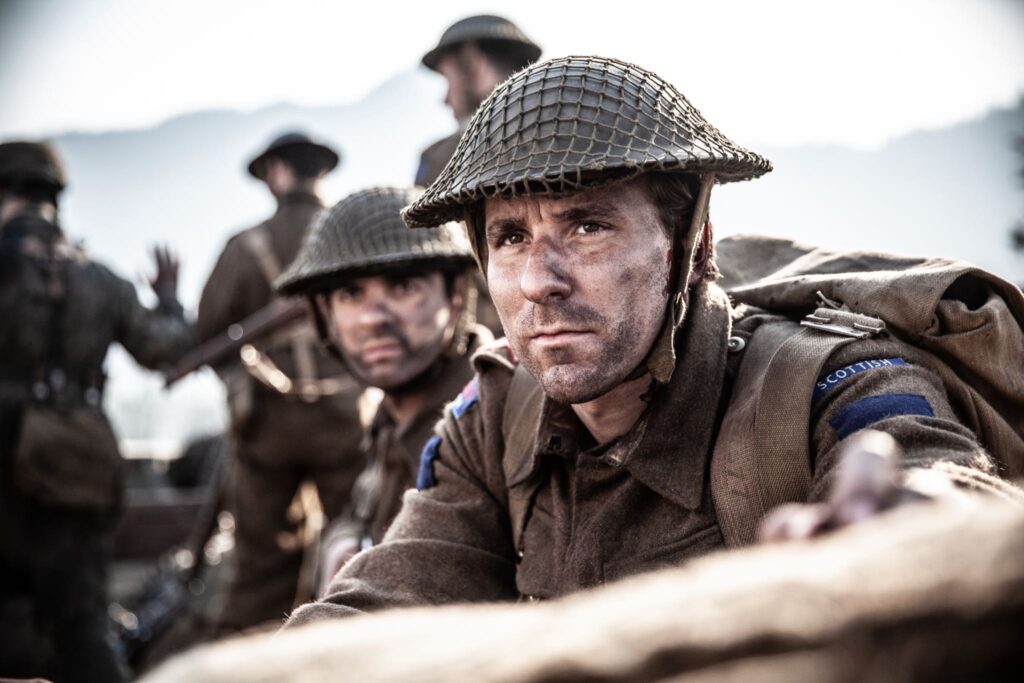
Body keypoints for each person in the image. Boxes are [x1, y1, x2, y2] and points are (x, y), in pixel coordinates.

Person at [286, 56, 997, 624]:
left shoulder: (825, 386)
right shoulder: (494, 417)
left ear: (688, 246)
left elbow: (933, 469)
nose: (539, 281)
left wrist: (926, 525)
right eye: (509, 237)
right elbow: (383, 599)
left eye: (587, 226)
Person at [0, 140, 192, 681]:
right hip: (77, 463)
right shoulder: (101, 279)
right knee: (82, 624)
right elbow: (163, 348)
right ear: (54, 199)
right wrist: (171, 300)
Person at [274, 186, 490, 587]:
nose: (372, 318)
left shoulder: (494, 414)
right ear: (326, 316)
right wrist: (343, 547)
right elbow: (360, 513)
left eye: (403, 287)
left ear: (455, 295)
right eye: (351, 294)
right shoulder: (390, 421)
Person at [196, 131, 363, 634]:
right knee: (356, 554)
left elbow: (206, 332)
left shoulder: (244, 247)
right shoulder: (356, 235)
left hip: (266, 424)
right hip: (349, 419)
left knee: (261, 571)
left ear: (278, 172)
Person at [415, 15, 541, 188]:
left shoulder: (443, 156)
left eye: (448, 80)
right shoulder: (568, 131)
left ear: (473, 65)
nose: (444, 100)